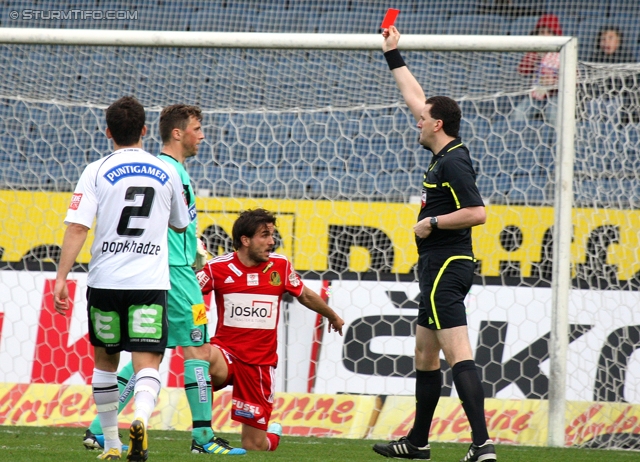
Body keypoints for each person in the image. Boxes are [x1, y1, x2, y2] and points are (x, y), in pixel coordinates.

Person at [81, 105, 246, 456]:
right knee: (197, 348)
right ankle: (203, 437)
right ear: (177, 133)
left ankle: (99, 430)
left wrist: (195, 246)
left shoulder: (163, 168)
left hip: (156, 273)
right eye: (197, 129)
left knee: (148, 357)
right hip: (176, 275)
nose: (202, 135)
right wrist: (190, 257)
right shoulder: (170, 171)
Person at [372, 27, 494, 462]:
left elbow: (478, 213)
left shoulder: (456, 160)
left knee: (459, 355)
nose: (416, 120)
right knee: (425, 353)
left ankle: (482, 446)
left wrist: (432, 222)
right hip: (435, 268)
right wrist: (393, 54)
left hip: (447, 265)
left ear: (437, 124)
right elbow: (415, 95)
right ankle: (419, 442)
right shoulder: (443, 153)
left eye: (422, 118)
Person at [54, 96, 191, 461]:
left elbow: (78, 228)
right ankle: (142, 419)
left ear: (108, 132)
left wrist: (60, 278)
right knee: (148, 363)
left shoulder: (96, 170)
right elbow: (181, 223)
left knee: (105, 363)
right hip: (149, 283)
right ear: (145, 130)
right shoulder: (167, 172)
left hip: (105, 282)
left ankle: (112, 444)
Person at [196, 208, 345, 452]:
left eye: (272, 235)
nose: (271, 241)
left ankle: (272, 437)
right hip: (227, 354)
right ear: (245, 240)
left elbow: (304, 294)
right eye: (264, 235)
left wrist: (333, 316)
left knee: (254, 446)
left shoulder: (280, 266)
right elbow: (189, 293)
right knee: (200, 357)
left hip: (260, 365)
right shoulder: (217, 268)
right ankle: (201, 436)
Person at [513, 13, 563, 124]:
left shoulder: (563, 53)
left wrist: (555, 81)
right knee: (519, 112)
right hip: (536, 95)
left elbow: (575, 79)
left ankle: (557, 141)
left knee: (553, 114)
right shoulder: (534, 51)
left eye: (548, 33)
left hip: (556, 96)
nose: (544, 36)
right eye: (541, 32)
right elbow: (522, 69)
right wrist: (536, 57)